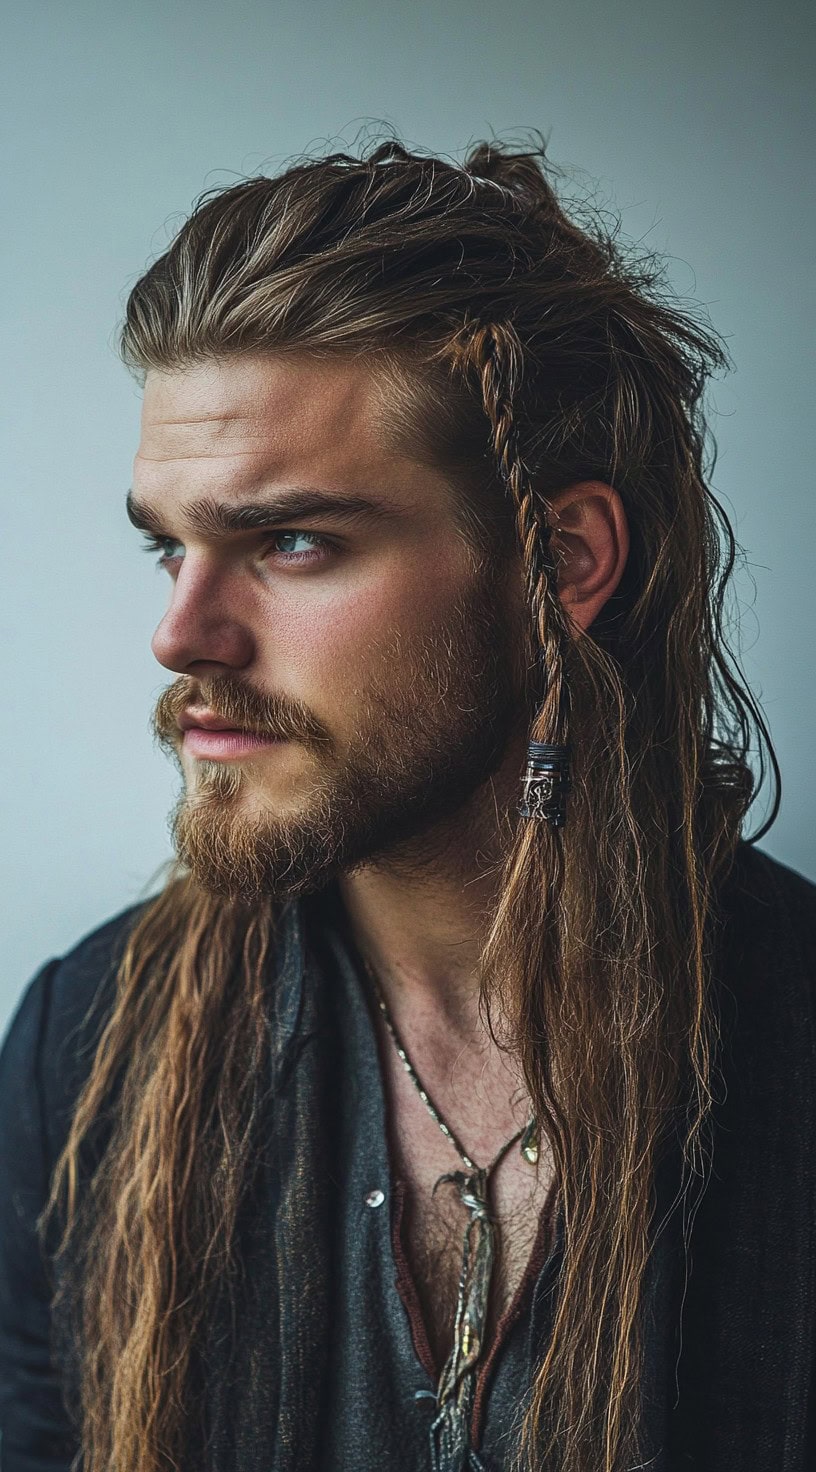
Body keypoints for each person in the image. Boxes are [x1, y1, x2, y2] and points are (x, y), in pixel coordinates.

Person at [0, 135, 814, 1472]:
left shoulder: (790, 1039)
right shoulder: (85, 1056)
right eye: (172, 546)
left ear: (560, 561)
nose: (182, 633)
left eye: (294, 542)